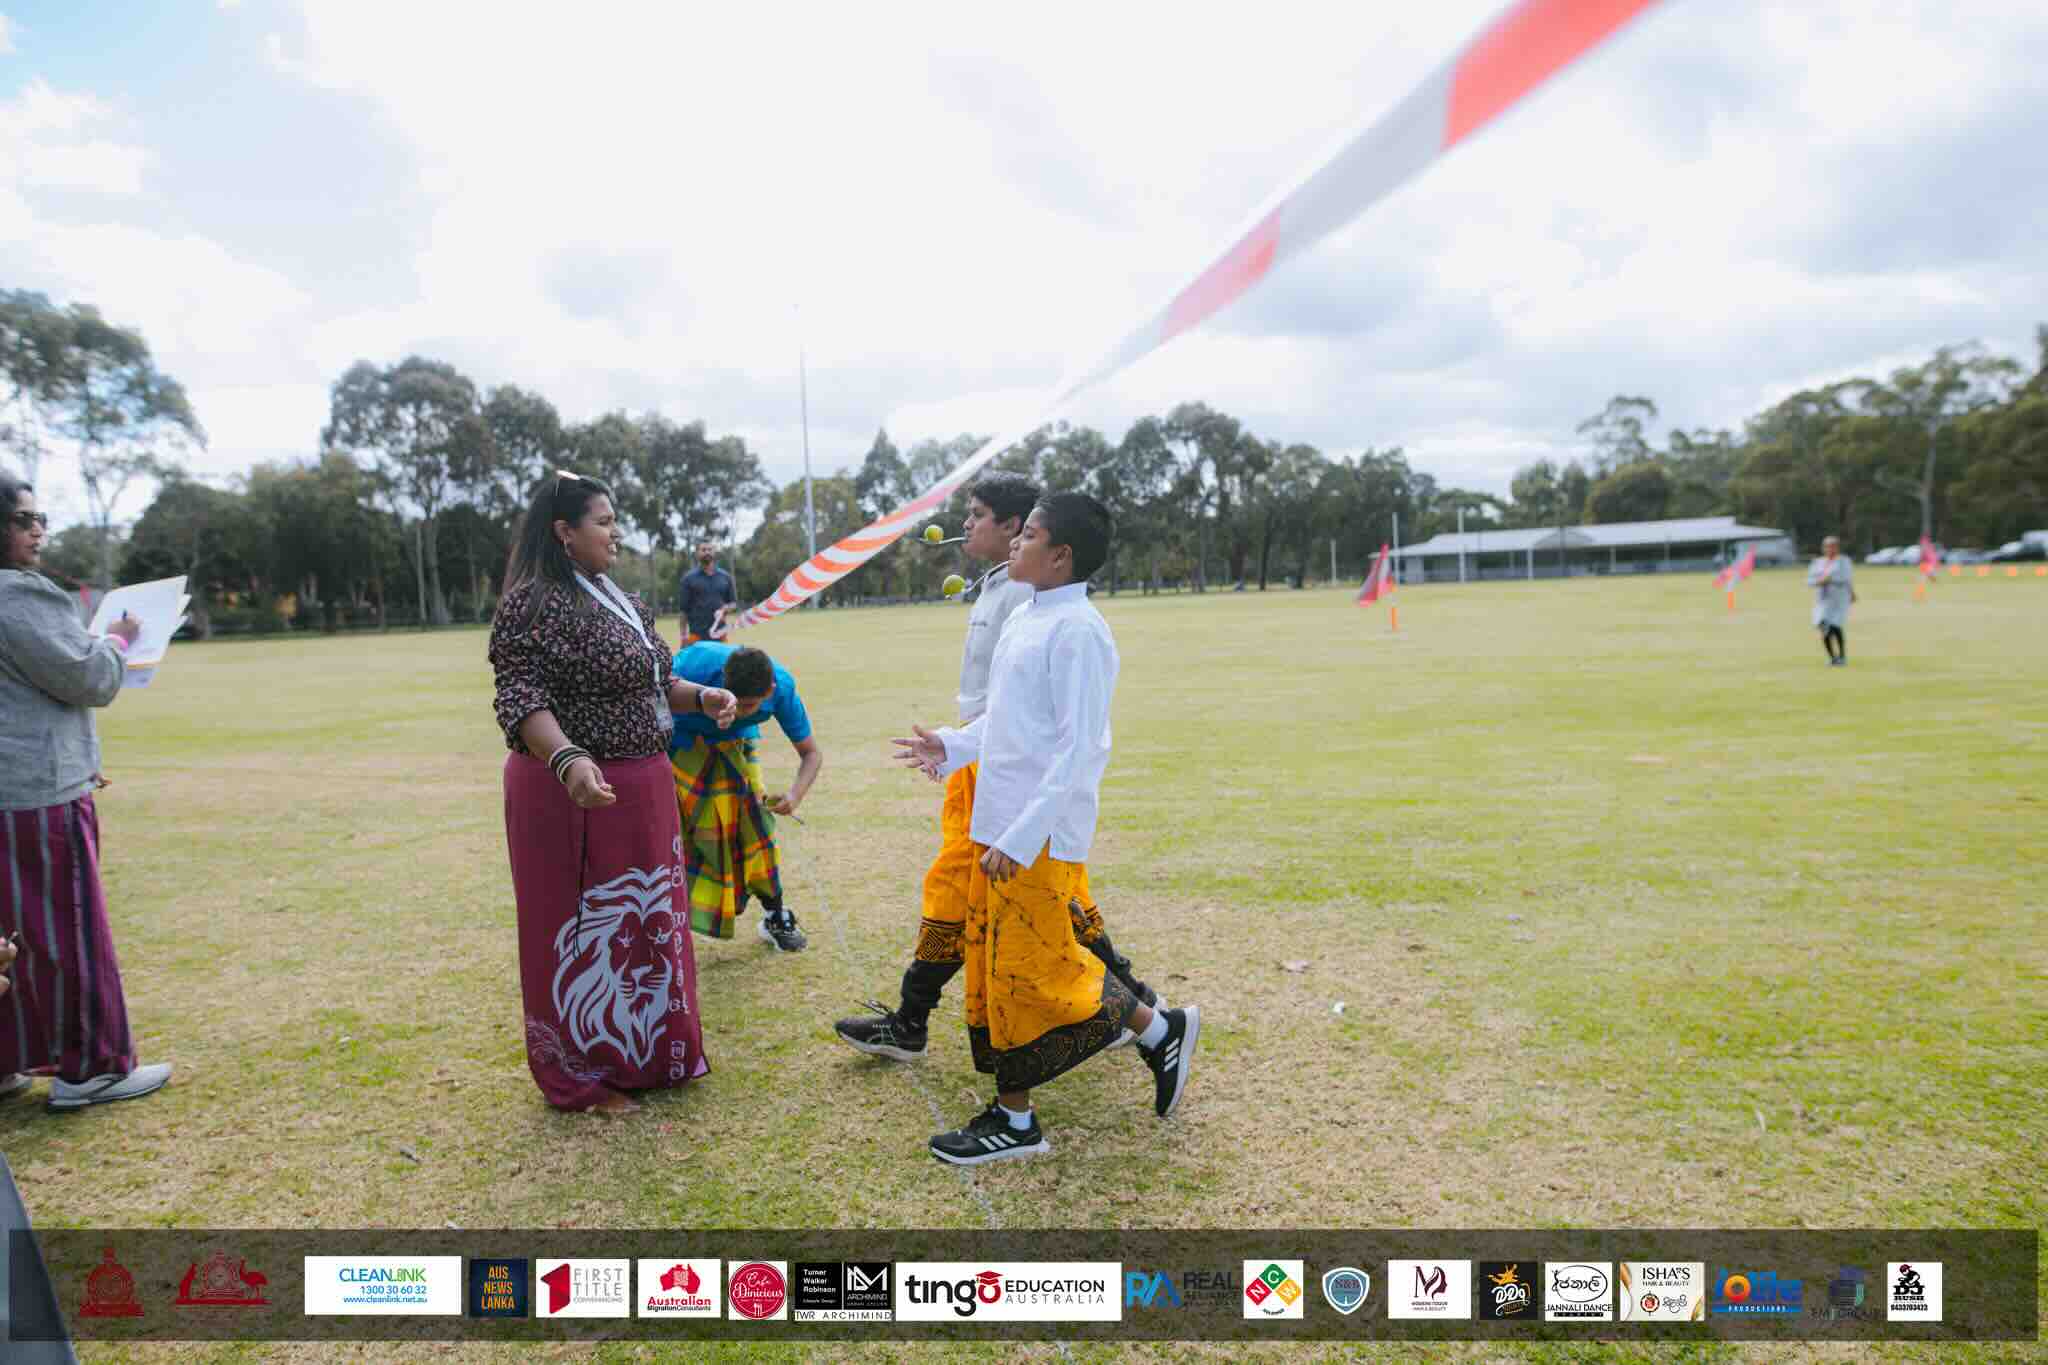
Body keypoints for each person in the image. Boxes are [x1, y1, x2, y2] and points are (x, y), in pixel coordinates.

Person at [893, 493, 1199, 1164]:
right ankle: (1158, 1032)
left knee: (1030, 974)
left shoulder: (1080, 631)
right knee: (1011, 969)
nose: (1014, 542)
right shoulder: (1026, 617)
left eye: (1028, 534)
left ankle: (1019, 1120)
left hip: (1035, 836)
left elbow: (1079, 748)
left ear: (1060, 555)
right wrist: (951, 745)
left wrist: (1023, 834)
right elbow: (1007, 724)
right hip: (1000, 825)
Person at [835, 475, 1161, 1062]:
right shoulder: (1013, 596)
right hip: (988, 763)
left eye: (980, 515)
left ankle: (1142, 1018)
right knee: (1016, 907)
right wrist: (953, 744)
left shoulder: (1049, 608)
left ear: (1028, 536)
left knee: (1005, 909)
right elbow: (1003, 709)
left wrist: (1001, 790)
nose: (968, 525)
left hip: (1017, 778)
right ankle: (1135, 1014)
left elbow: (1070, 738)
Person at [490, 470, 738, 1115]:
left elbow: (656, 682)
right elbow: (520, 695)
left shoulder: (618, 598)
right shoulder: (531, 604)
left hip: (643, 783)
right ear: (564, 532)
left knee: (648, 922)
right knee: (579, 931)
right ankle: (581, 1077)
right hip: (572, 791)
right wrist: (567, 757)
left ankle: (653, 1056)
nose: (615, 533)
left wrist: (703, 697)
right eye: (603, 522)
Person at [0, 472, 173, 1111]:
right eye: (23, 520)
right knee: (68, 934)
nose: (38, 530)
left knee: (8, 938)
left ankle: (7, 1058)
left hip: (15, 789)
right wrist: (118, 639)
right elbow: (92, 678)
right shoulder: (22, 596)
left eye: (39, 517)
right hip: (36, 800)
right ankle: (92, 1069)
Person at [670, 641, 821, 952]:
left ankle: (776, 916)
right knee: (693, 838)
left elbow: (811, 753)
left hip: (737, 746)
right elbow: (652, 695)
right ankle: (668, 926)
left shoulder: (782, 687)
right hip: (683, 743)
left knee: (757, 832)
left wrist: (794, 796)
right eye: (734, 701)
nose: (737, 711)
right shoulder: (694, 666)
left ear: (769, 691)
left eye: (749, 706)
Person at [1807, 535, 1857, 666]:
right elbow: (1810, 580)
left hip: (1839, 599)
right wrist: (1819, 581)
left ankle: (1841, 657)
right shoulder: (1818, 562)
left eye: (1833, 547)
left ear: (1837, 548)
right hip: (1823, 600)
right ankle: (1832, 657)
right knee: (1823, 625)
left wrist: (1830, 579)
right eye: (1827, 547)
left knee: (1835, 626)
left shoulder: (1843, 561)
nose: (1830, 549)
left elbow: (1846, 577)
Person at [678, 542, 737, 645]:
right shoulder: (688, 579)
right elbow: (683, 611)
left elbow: (733, 604)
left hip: (720, 634)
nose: (707, 552)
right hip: (696, 635)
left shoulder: (725, 577)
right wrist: (683, 636)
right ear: (697, 553)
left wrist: (725, 609)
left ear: (714, 552)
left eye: (710, 549)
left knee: (721, 657)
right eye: (703, 550)